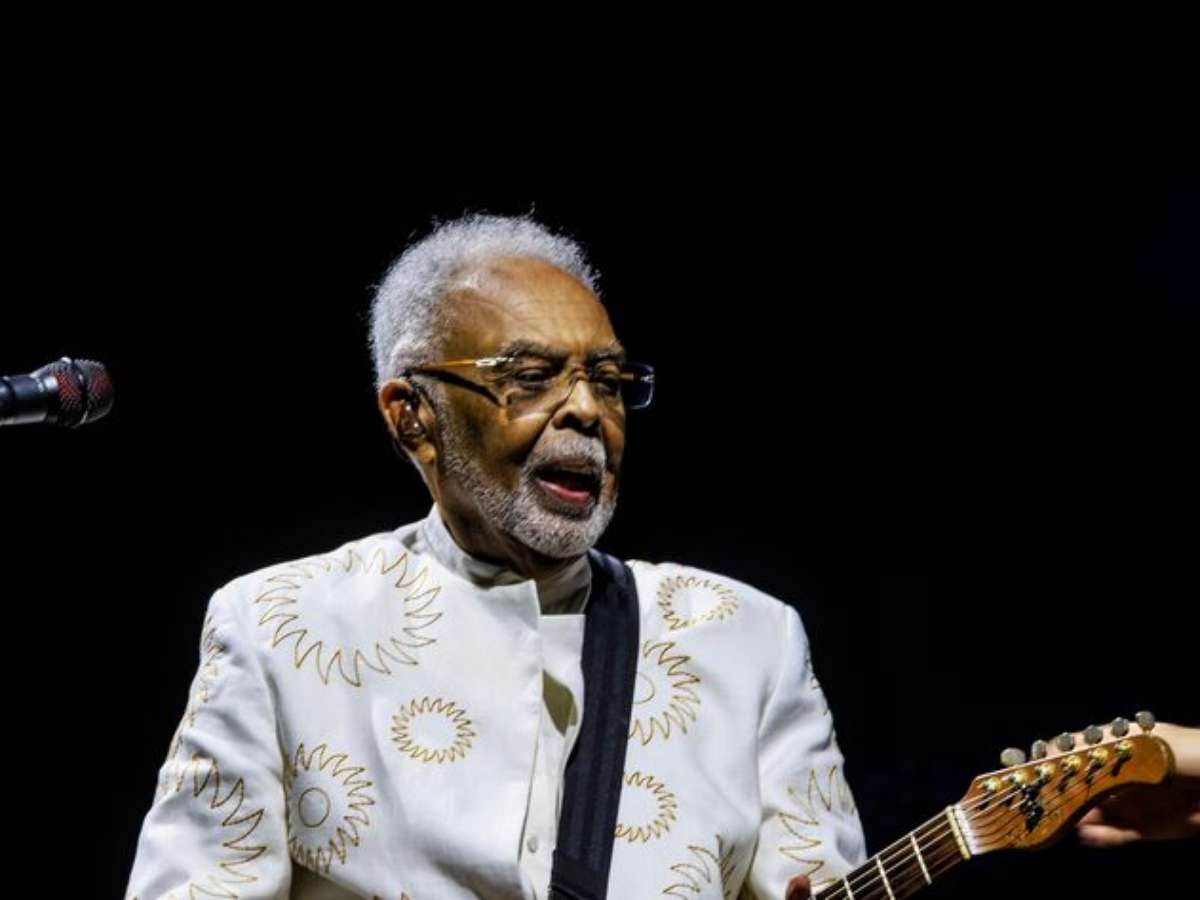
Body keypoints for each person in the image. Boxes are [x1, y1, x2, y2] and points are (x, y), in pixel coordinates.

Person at [126, 213, 867, 899]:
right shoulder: (279, 629)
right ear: (412, 418)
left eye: (608, 382)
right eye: (531, 378)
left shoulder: (749, 642)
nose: (587, 410)